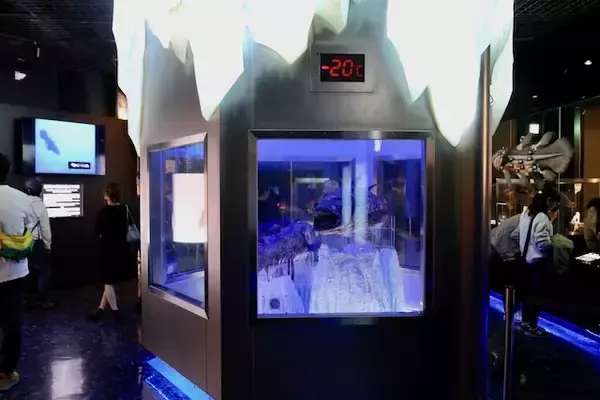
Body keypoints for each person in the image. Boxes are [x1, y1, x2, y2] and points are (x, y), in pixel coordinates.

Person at [0, 153, 33, 391]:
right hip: (15, 272)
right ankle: (6, 371)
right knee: (13, 323)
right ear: (8, 171)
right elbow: (29, 229)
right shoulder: (22, 198)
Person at [517, 187, 561, 337]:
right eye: (555, 203)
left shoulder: (526, 213)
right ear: (549, 201)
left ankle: (525, 323)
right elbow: (542, 243)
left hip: (525, 260)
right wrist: (554, 244)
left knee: (528, 295)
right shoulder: (542, 217)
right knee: (536, 297)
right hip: (538, 263)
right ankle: (531, 326)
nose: (555, 206)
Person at [89, 183, 132, 321]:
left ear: (107, 195)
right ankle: (100, 309)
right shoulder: (125, 209)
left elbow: (97, 231)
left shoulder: (103, 213)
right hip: (122, 250)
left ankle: (116, 311)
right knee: (110, 282)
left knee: (108, 281)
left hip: (107, 251)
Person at [24, 177, 54, 309]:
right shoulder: (40, 205)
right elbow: (45, 228)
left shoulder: (21, 202)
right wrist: (48, 245)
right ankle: (41, 300)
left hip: (22, 242)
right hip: (36, 243)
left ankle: (22, 300)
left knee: (24, 272)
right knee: (44, 272)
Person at [490, 213, 521, 314]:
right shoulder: (527, 220)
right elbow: (516, 235)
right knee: (508, 282)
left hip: (493, 244)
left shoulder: (521, 217)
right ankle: (510, 313)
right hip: (496, 248)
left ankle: (509, 313)